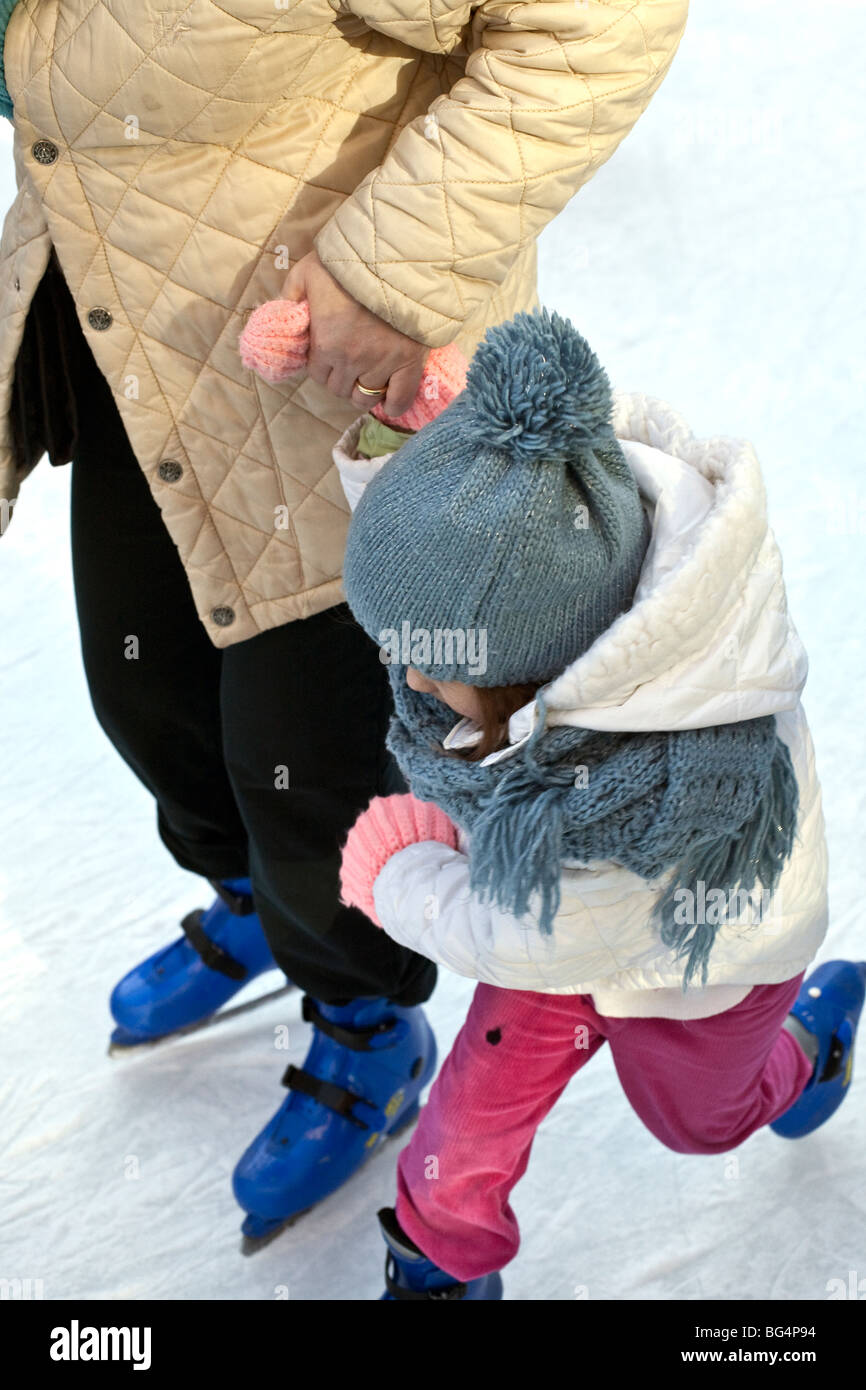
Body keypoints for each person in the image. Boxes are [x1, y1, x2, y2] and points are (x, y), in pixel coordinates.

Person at [0, 0, 689, 1246]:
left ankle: (364, 1012)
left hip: (323, 383)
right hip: (133, 330)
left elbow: (598, 21)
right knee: (142, 693)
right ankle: (253, 897)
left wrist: (386, 271)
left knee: (306, 767)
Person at [337, 307, 866, 1299]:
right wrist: (431, 447)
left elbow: (521, 934)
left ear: (526, 675)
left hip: (700, 955)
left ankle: (809, 1038)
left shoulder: (639, 789)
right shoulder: (563, 559)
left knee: (697, 1121)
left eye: (432, 660)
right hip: (556, 920)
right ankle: (435, 1259)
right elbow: (456, 567)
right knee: (471, 1114)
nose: (408, 671)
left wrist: (403, 875)